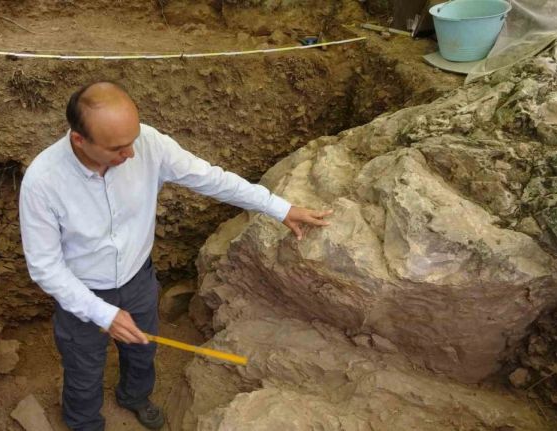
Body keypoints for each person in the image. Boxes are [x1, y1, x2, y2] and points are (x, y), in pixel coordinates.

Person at [18, 81, 332, 431]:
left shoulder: (148, 143)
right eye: (118, 148)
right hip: (82, 291)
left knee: (142, 350)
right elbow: (45, 267)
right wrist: (101, 312)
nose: (132, 154)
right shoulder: (43, 182)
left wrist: (279, 208)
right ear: (80, 140)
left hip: (138, 280)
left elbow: (212, 179)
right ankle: (84, 423)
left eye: (133, 139)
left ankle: (135, 397)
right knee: (83, 366)